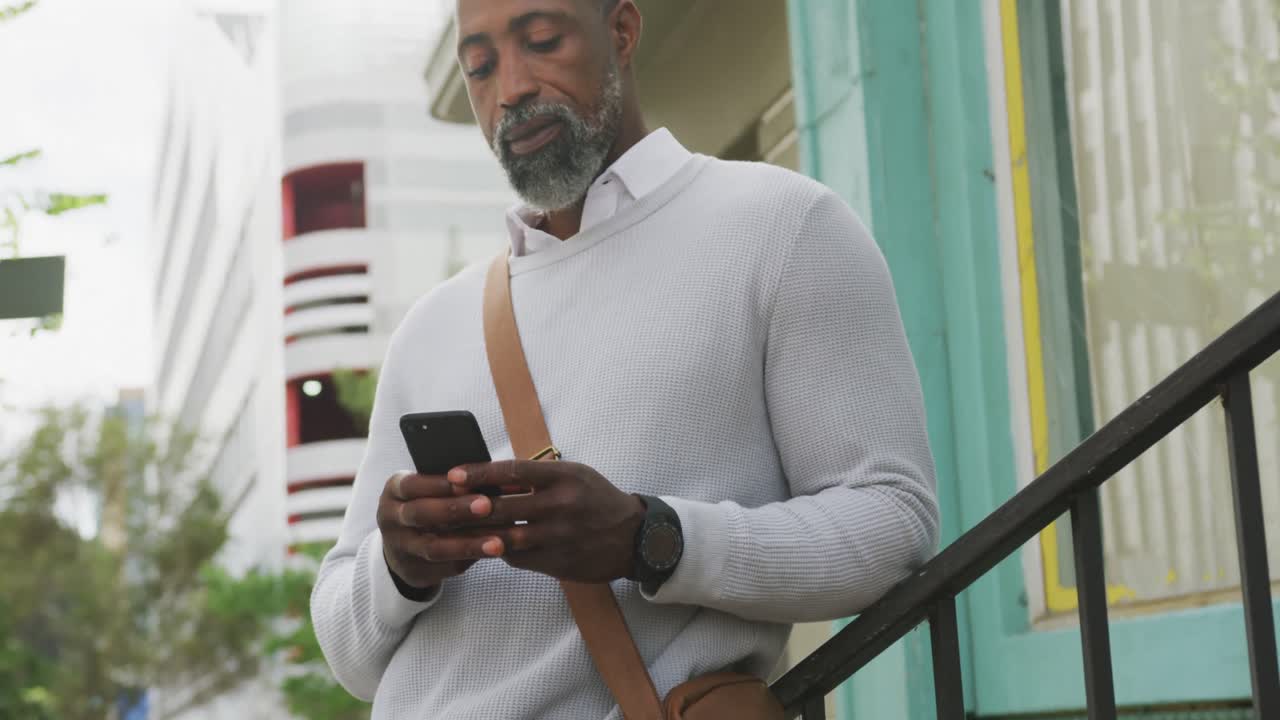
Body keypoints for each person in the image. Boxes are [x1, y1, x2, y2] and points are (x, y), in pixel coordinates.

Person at [311, 0, 940, 717]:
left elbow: (893, 522)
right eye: (479, 67)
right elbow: (348, 654)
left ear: (622, 30)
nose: (509, 87)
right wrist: (400, 565)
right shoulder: (431, 328)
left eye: (541, 41)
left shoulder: (784, 226)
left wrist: (651, 539)